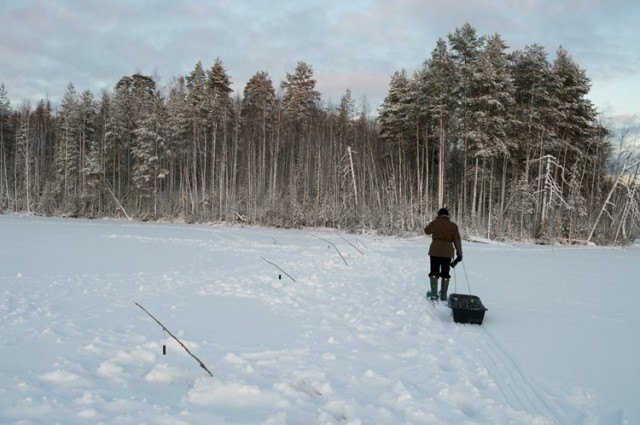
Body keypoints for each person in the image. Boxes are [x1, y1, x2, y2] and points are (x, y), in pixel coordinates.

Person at [424, 207, 463, 301]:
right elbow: (457, 241)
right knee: (445, 273)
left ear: (439, 215)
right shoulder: (453, 225)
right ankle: (444, 295)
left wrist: (434, 221)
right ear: (448, 215)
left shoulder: (435, 223)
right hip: (447, 252)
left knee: (434, 271)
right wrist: (459, 253)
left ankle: (433, 294)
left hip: (435, 250)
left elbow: (426, 231)